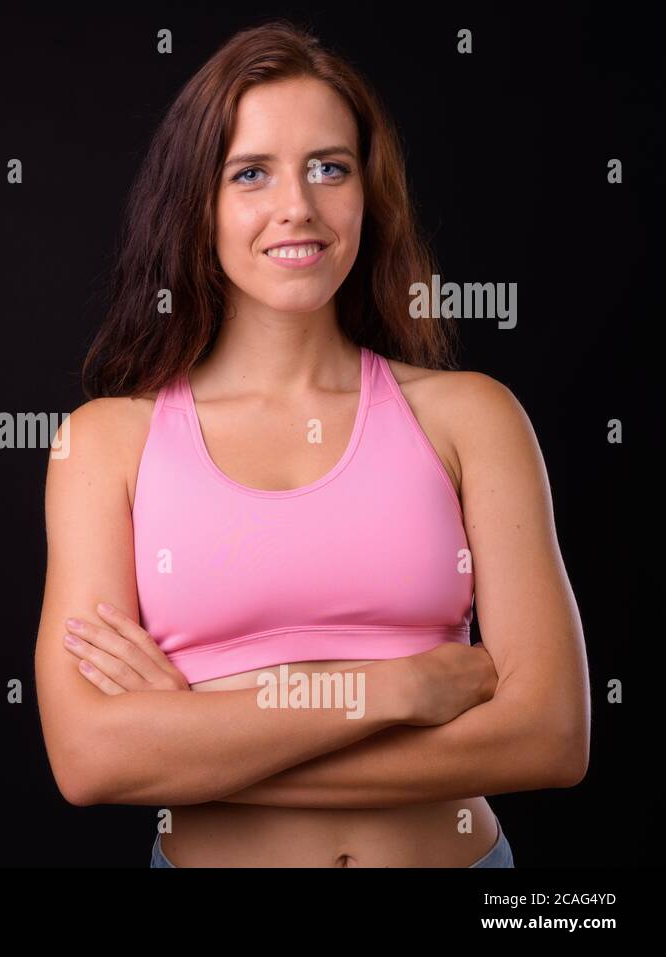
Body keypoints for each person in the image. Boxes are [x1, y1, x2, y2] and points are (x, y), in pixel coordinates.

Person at [33, 19, 589, 867]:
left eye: (329, 167)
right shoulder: (106, 443)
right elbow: (88, 758)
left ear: (367, 193)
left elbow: (549, 736)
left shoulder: (474, 417)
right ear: (198, 202)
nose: (298, 204)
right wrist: (399, 688)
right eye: (251, 173)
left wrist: (195, 733)